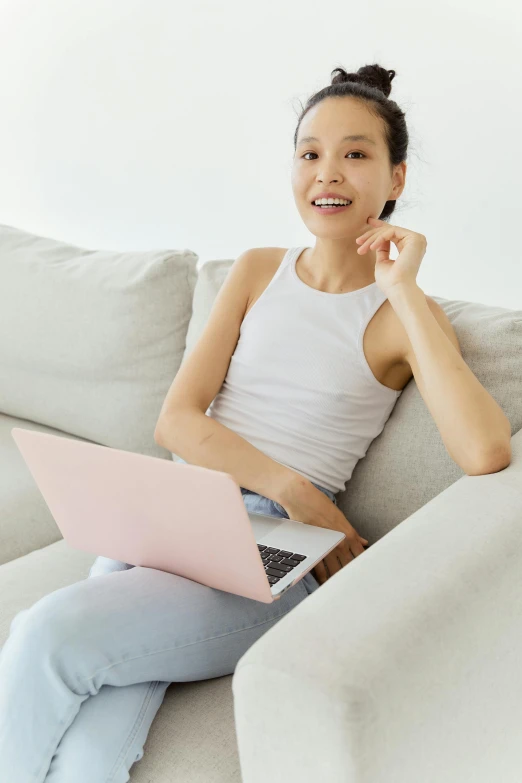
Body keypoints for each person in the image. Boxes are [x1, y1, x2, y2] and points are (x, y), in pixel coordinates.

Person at [0, 63, 412, 782]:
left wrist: (403, 286)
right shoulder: (257, 270)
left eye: (355, 153)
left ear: (396, 177)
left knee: (45, 633)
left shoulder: (400, 316)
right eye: (310, 152)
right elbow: (178, 423)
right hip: (176, 509)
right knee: (96, 733)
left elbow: (485, 447)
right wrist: (294, 484)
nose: (328, 172)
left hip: (275, 549)